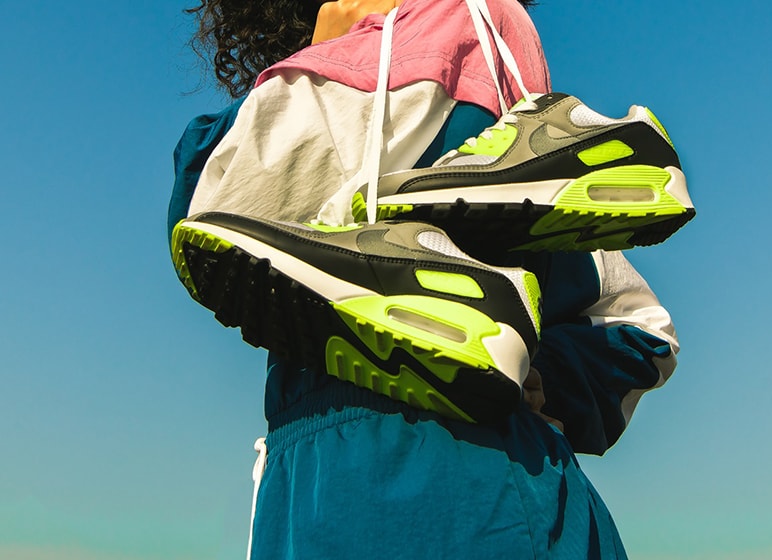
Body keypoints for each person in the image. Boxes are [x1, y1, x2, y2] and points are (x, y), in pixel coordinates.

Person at [169, 0, 684, 557]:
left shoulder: (456, 18)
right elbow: (644, 331)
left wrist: (541, 375)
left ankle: (420, 239)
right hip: (312, 473)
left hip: (462, 474)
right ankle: (423, 229)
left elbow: (218, 198)